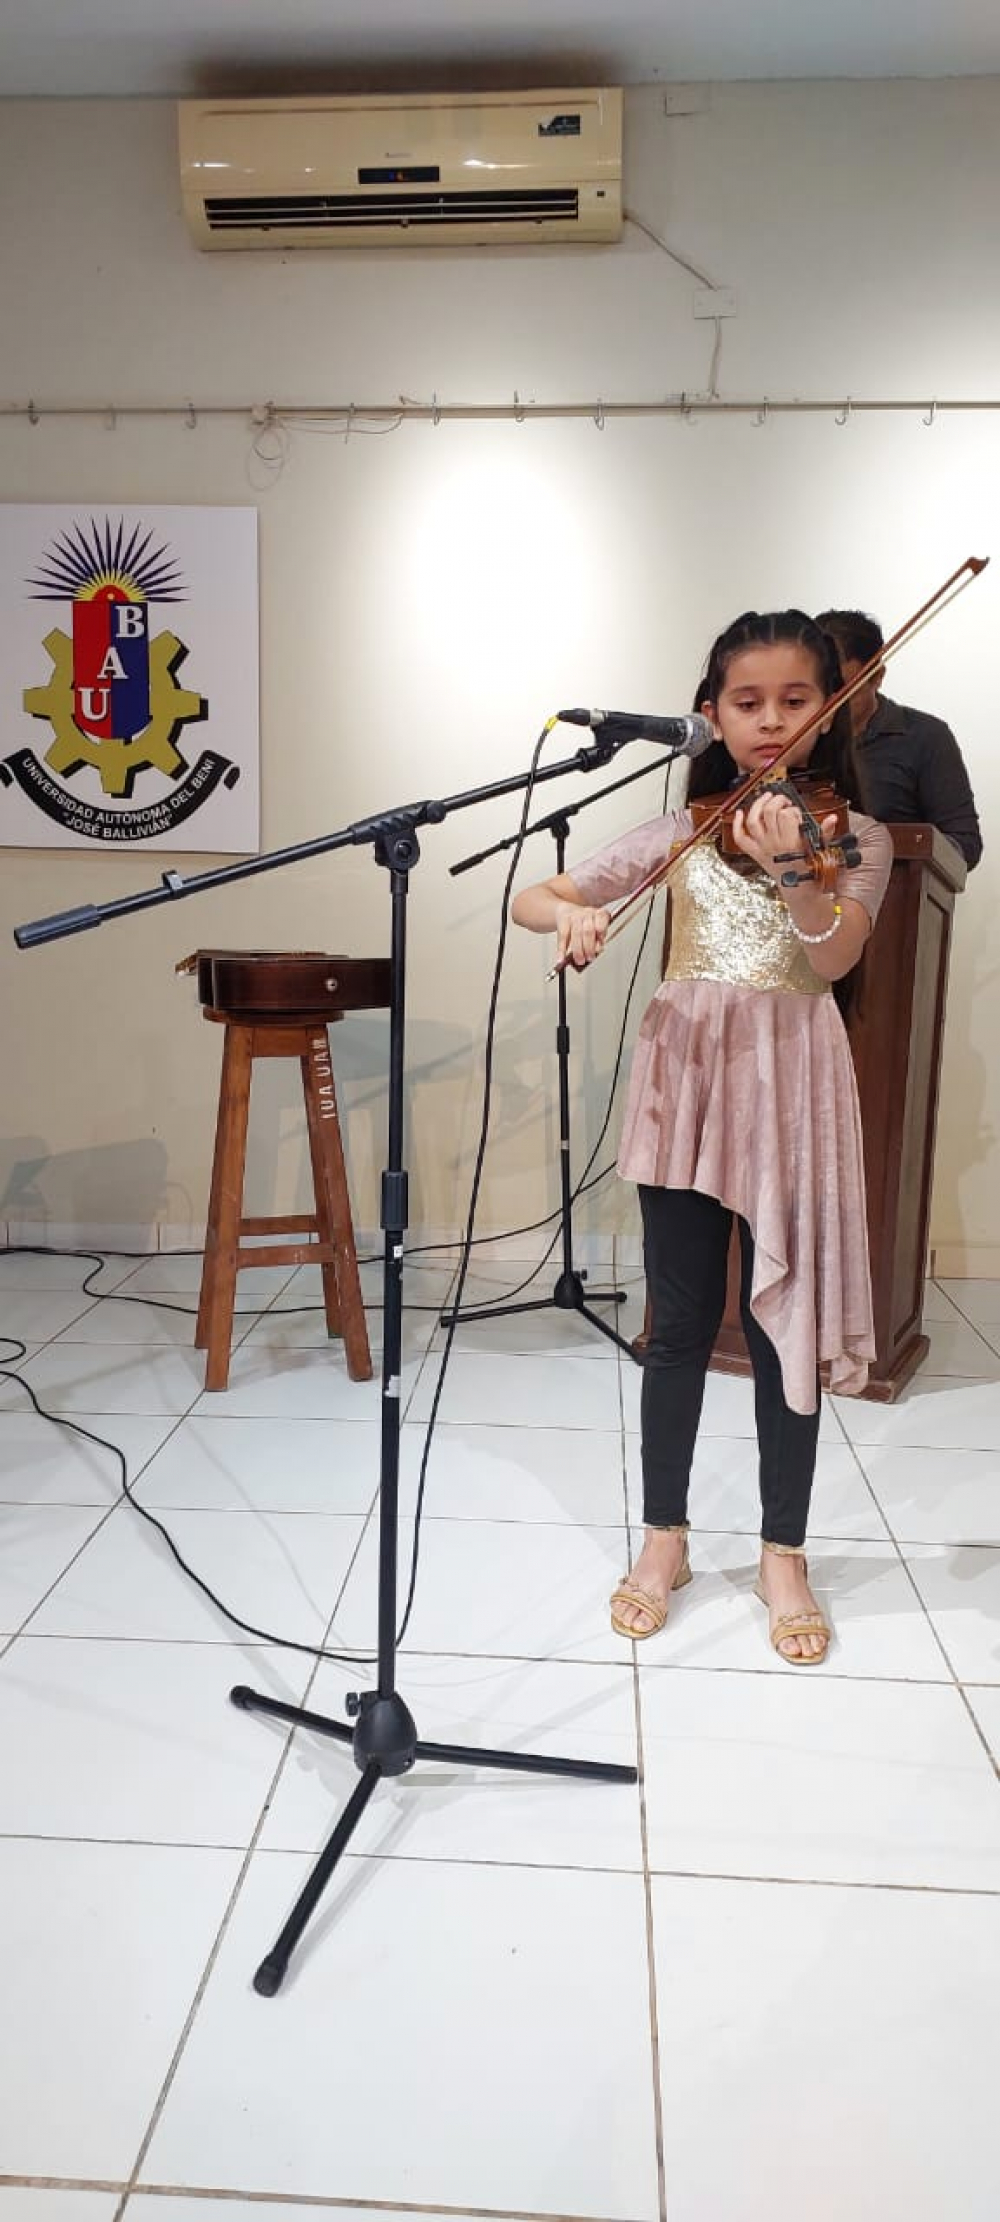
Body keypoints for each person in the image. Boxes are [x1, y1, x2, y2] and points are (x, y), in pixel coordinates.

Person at [512, 609, 893, 1664]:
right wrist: (574, 915)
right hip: (686, 1083)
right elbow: (530, 897)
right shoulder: (680, 826)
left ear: (828, 709)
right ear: (709, 714)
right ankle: (664, 1537)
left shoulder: (854, 837)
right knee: (678, 1325)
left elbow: (829, 958)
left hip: (792, 1088)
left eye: (793, 699)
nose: (770, 721)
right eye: (745, 701)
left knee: (785, 1325)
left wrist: (789, 873)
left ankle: (782, 1551)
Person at [816, 608, 982, 869]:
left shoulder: (926, 736)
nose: (832, 705)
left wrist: (902, 844)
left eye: (846, 692)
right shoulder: (797, 740)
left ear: (878, 677)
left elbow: (966, 845)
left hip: (896, 895)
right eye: (823, 690)